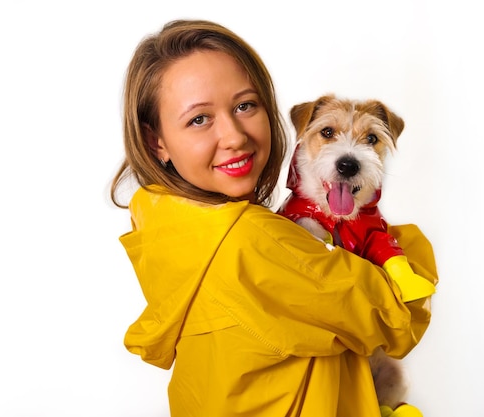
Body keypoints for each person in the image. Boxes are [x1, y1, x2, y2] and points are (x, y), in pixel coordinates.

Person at [110, 19, 438, 417]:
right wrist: (404, 244)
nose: (234, 136)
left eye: (245, 105)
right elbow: (398, 317)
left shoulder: (168, 222)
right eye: (199, 119)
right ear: (155, 141)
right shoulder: (252, 241)